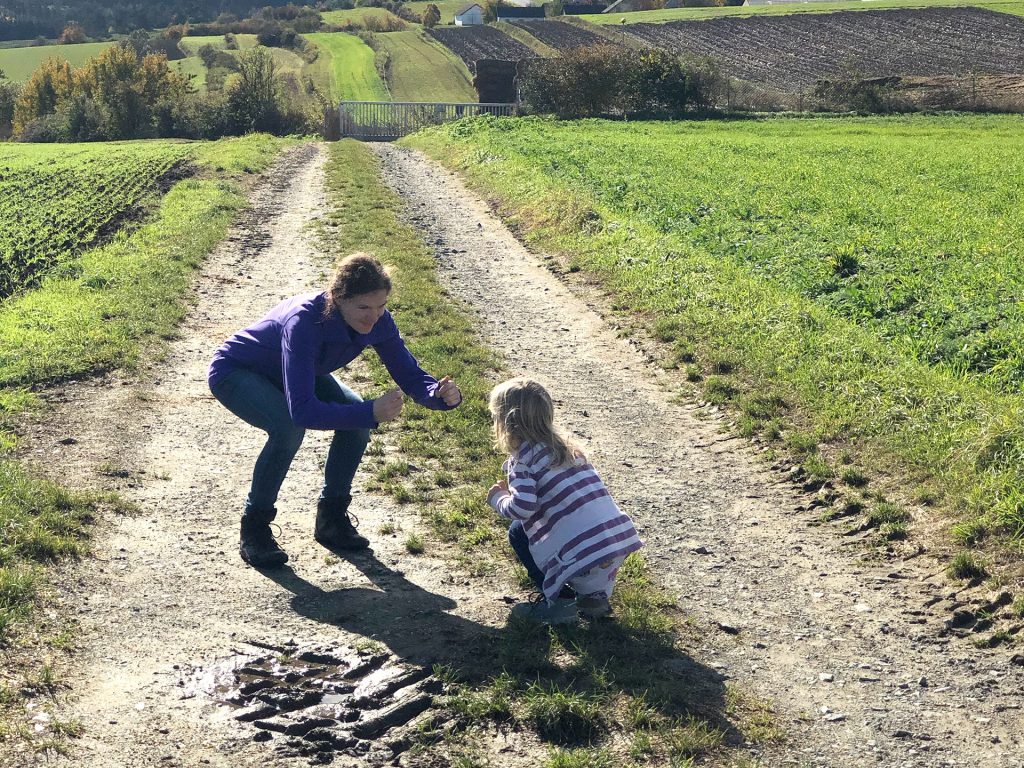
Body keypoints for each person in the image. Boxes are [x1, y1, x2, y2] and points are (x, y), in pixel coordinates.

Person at [208, 252, 462, 568]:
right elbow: (303, 412)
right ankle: (254, 529)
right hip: (237, 371)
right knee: (288, 429)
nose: (373, 317)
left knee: (355, 419)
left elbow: (409, 373)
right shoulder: (304, 322)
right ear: (338, 298)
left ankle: (331, 520)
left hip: (297, 372)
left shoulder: (379, 321)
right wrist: (371, 412)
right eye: (364, 308)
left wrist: (439, 394)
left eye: (381, 306)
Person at [486, 377, 643, 624]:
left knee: (518, 533)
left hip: (583, 548)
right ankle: (594, 598)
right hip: (613, 539)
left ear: (505, 424)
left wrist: (498, 498)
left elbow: (523, 508)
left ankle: (560, 605)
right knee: (587, 563)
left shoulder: (523, 462)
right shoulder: (570, 449)